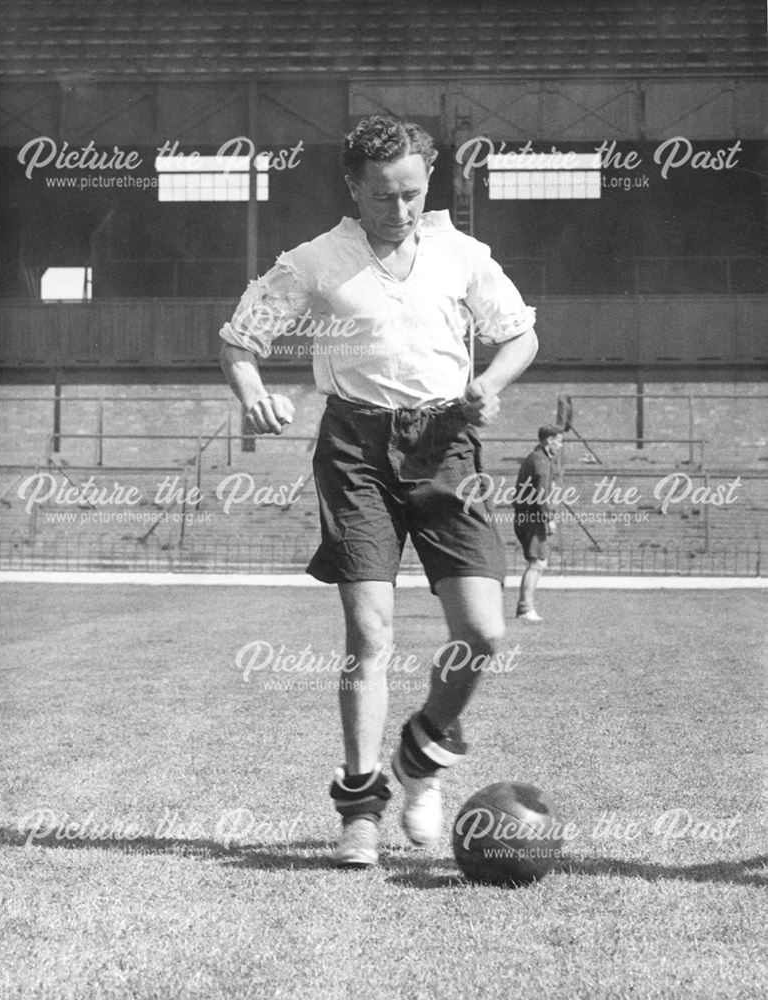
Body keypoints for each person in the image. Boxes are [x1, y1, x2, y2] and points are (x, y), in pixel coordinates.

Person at [219, 115, 538, 868]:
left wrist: (488, 384)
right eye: (383, 196)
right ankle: (360, 804)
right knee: (368, 636)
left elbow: (519, 335)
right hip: (355, 450)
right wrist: (253, 391)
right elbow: (240, 338)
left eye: (412, 195)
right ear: (353, 188)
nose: (399, 210)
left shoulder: (461, 255)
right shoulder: (314, 261)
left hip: (445, 446)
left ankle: (421, 754)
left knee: (484, 635)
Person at [512, 425, 564, 623]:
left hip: (527, 516)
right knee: (538, 562)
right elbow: (541, 495)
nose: (560, 446)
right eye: (559, 441)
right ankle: (525, 608)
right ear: (549, 440)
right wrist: (548, 519)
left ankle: (524, 608)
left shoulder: (535, 457)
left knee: (537, 562)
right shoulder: (541, 461)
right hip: (532, 517)